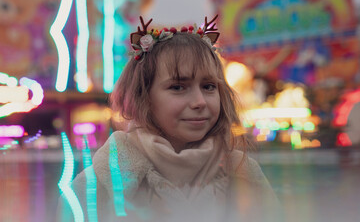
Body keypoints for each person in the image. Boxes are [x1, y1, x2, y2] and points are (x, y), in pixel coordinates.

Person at [57, 15, 280, 221]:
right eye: (178, 87)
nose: (200, 101)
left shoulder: (243, 172)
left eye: (209, 86)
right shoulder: (103, 181)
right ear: (142, 96)